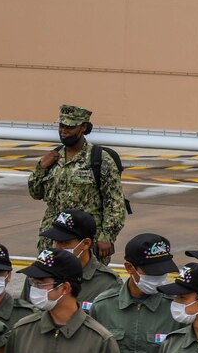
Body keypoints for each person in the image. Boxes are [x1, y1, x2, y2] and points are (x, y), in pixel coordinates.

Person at [27, 105, 126, 260]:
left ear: (83, 127)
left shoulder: (100, 159)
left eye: (70, 127)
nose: (63, 131)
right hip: (53, 237)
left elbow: (115, 203)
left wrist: (107, 236)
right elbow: (35, 193)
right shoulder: (53, 158)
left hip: (84, 240)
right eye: (61, 126)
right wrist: (41, 168)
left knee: (86, 281)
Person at [44, 209, 119, 309]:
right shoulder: (40, 275)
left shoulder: (107, 283)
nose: (57, 248)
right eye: (55, 241)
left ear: (86, 243)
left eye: (65, 243)